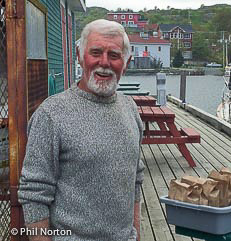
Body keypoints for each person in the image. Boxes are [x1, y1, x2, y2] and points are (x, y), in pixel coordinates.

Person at [18, 19, 144, 241]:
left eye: (114, 55)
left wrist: (136, 233)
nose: (103, 63)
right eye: (95, 52)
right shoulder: (51, 114)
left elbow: (136, 178)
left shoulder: (130, 109)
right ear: (79, 55)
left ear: (126, 62)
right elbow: (34, 194)